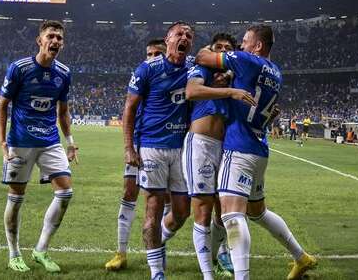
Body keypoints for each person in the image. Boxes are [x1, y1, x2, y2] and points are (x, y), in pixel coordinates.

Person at [196, 25, 317, 280]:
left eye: (245, 40)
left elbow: (202, 57)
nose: (241, 44)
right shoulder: (276, 73)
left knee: (231, 215)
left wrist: (214, 49)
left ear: (258, 46)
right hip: (259, 148)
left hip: (238, 147)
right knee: (257, 212)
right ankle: (301, 257)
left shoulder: (246, 60)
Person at [0, 20, 78, 273]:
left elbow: (63, 111)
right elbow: (2, 105)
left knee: (65, 193)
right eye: (51, 36)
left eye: (59, 38)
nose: (55, 41)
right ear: (39, 40)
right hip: (20, 143)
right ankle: (14, 253)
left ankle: (41, 250)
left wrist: (71, 142)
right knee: (17, 197)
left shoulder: (63, 73)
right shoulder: (19, 68)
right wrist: (3, 142)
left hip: (50, 141)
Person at [123, 22, 194, 280]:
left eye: (188, 35)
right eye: (179, 34)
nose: (184, 38)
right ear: (168, 39)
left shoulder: (194, 68)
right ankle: (157, 273)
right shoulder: (148, 69)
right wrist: (129, 148)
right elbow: (130, 108)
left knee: (182, 211)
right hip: (152, 147)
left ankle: (158, 241)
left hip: (181, 148)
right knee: (153, 207)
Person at [184, 33, 252, 278]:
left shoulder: (232, 80)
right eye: (218, 48)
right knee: (201, 210)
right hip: (200, 145)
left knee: (224, 211)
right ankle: (207, 275)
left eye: (227, 49)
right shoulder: (201, 70)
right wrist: (229, 91)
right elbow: (191, 92)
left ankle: (219, 255)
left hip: (225, 148)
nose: (222, 52)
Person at [105, 39, 168, 271]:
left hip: (166, 147)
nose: (152, 57)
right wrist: (129, 147)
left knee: (167, 201)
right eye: (149, 53)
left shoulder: (173, 78)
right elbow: (129, 111)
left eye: (157, 53)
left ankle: (160, 249)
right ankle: (121, 252)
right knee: (129, 191)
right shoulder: (141, 78)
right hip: (141, 145)